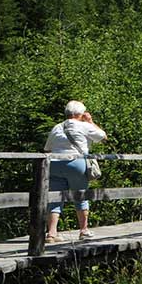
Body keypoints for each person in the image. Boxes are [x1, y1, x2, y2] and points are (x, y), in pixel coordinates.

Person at [43, 100, 107, 242]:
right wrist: (90, 121)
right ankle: (83, 230)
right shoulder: (84, 126)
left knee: (54, 198)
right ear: (80, 113)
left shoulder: (57, 127)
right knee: (80, 196)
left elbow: (47, 149)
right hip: (76, 163)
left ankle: (52, 233)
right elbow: (103, 137)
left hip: (55, 164)